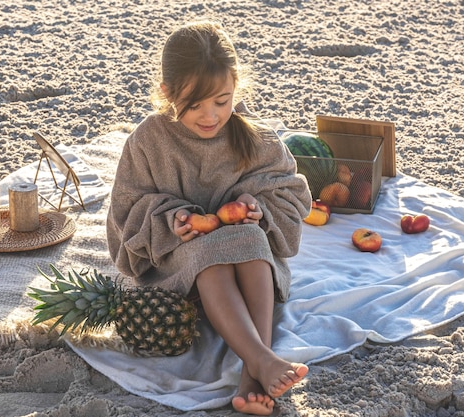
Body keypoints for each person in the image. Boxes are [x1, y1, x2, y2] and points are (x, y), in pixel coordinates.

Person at [106, 20, 312, 416]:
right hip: (179, 257)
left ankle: (255, 371)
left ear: (236, 85)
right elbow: (126, 210)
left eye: (222, 100)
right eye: (195, 104)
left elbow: (289, 190)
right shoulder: (147, 141)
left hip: (247, 252)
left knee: (252, 239)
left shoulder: (254, 135)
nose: (210, 115)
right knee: (210, 259)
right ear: (167, 93)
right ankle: (261, 361)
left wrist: (259, 208)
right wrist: (170, 220)